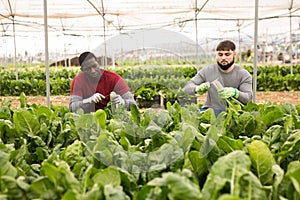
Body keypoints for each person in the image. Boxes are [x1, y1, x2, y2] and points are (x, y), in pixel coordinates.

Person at [183, 40, 252, 116]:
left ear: (234, 55)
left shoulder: (243, 74)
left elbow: (248, 98)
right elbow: (187, 88)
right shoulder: (208, 71)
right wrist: (197, 88)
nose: (223, 58)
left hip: (233, 111)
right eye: (220, 54)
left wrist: (235, 93)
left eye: (227, 54)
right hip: (210, 110)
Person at [69, 51, 136, 113]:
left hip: (113, 119)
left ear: (98, 63)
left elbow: (133, 104)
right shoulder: (78, 81)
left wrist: (123, 102)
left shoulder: (114, 79)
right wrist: (89, 100)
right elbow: (72, 107)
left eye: (94, 66)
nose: (93, 71)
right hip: (89, 120)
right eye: (87, 69)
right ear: (82, 70)